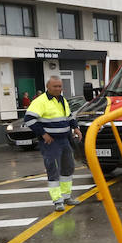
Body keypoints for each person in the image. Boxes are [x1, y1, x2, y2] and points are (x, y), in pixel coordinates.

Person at [23, 77, 82, 212]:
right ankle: (57, 200)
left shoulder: (62, 100)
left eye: (60, 86)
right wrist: (43, 134)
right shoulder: (40, 101)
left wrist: (76, 128)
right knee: (53, 170)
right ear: (48, 87)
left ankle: (67, 197)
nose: (58, 89)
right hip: (50, 142)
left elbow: (69, 117)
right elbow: (29, 119)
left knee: (68, 168)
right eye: (55, 86)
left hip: (65, 139)